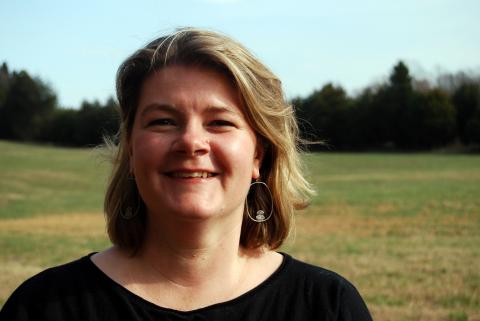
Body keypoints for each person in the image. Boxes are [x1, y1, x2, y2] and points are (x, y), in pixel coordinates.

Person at [0, 28, 373, 321]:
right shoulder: (43, 306)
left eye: (219, 122)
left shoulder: (327, 306)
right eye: (163, 121)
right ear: (131, 150)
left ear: (258, 154)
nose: (191, 141)